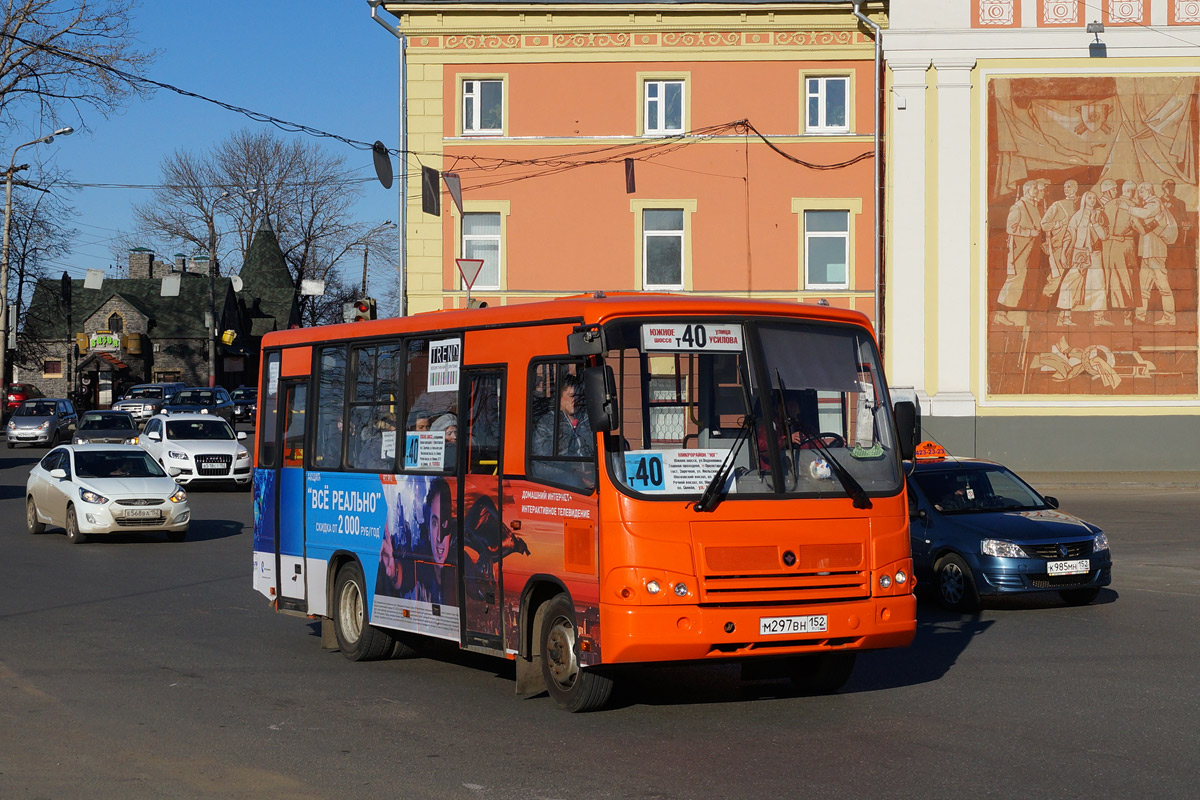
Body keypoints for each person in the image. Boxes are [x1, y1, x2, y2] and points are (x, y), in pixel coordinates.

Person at [994, 180, 1043, 326]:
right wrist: (1029, 232)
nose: (1036, 190)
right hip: (1018, 249)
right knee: (1013, 279)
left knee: (1019, 281)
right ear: (1027, 189)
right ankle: (999, 313)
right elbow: (1011, 228)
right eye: (1034, 188)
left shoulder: (1033, 206)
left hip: (1028, 248)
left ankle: (1008, 313)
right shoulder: (1018, 207)